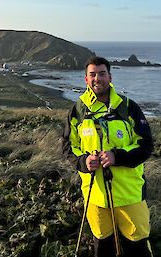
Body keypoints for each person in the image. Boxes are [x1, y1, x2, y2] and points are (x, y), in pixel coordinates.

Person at [62, 56, 154, 257]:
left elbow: (146, 145)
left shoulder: (128, 107)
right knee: (103, 247)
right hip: (95, 196)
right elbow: (69, 147)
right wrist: (84, 161)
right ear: (86, 79)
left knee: (137, 248)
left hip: (130, 194)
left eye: (102, 74)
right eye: (92, 75)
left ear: (110, 77)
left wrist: (117, 157)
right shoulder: (77, 111)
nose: (97, 79)